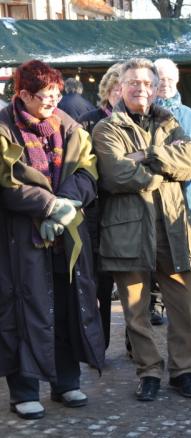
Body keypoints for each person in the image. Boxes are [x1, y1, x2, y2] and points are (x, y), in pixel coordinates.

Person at [92, 57, 191, 401]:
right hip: (127, 231)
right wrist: (163, 165)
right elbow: (116, 174)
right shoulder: (107, 128)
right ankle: (149, 371)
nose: (140, 88)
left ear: (156, 89)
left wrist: (145, 154)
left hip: (172, 227)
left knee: (183, 305)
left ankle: (183, 370)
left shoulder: (170, 121)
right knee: (136, 310)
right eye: (133, 83)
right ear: (121, 87)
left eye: (147, 83)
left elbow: (189, 163)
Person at [0, 60, 104, 419]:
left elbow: (88, 170)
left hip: (66, 236)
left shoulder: (70, 126)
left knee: (67, 307)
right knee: (22, 312)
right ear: (23, 94)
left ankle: (66, 381)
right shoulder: (4, 128)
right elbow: (7, 182)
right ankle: (24, 391)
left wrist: (66, 204)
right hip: (18, 239)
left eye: (56, 94)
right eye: (44, 95)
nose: (52, 101)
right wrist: (47, 205)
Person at [78, 62, 122, 350]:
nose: (119, 93)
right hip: (98, 212)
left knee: (136, 284)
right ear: (106, 91)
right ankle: (100, 344)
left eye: (123, 87)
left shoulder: (142, 121)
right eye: (115, 88)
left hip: (130, 210)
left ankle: (135, 343)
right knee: (100, 282)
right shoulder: (88, 122)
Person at [154, 59, 191, 220]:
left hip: (185, 197)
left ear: (177, 80)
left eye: (170, 79)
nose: (165, 83)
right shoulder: (143, 113)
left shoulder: (188, 115)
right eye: (161, 79)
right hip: (150, 198)